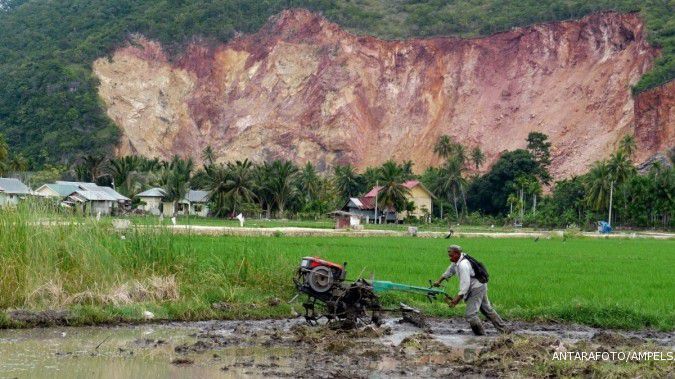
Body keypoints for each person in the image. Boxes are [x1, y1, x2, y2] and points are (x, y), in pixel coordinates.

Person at [433, 245, 509, 335]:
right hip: (480, 285)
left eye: (451, 255)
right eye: (449, 255)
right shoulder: (458, 260)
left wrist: (456, 300)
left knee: (471, 315)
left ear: (457, 254)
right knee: (487, 310)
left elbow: (465, 285)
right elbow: (450, 271)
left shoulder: (463, 265)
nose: (449, 258)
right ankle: (505, 330)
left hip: (476, 288)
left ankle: (480, 336)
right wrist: (439, 281)